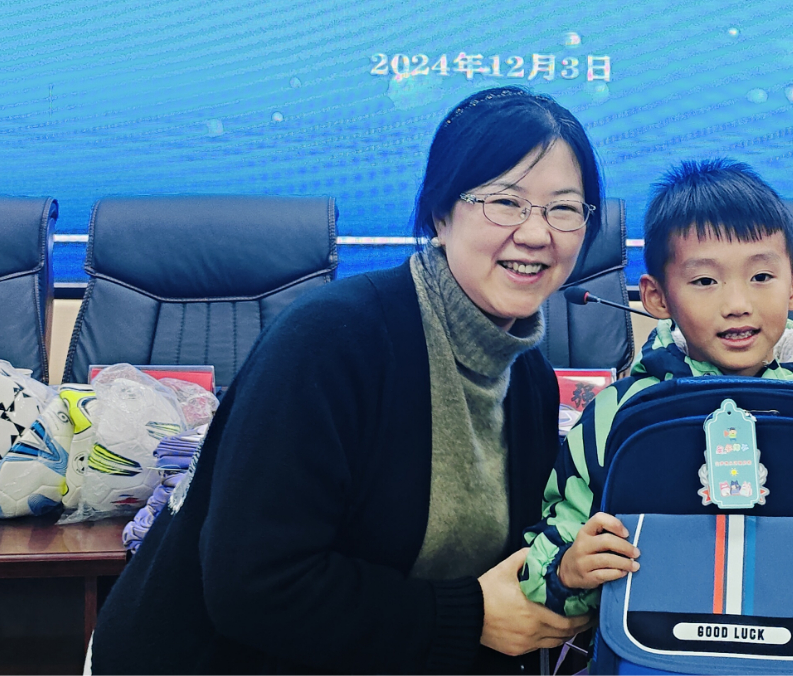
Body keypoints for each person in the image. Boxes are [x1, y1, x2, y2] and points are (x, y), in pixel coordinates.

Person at [92, 87, 599, 674]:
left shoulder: (529, 378)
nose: (536, 234)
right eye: (506, 202)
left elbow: (504, 579)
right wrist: (469, 617)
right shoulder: (334, 340)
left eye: (563, 209)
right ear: (441, 215)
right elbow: (253, 586)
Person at [520, 159, 793, 648]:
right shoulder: (614, 416)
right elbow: (550, 551)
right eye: (705, 281)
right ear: (657, 296)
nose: (737, 303)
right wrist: (568, 570)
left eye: (761, 276)